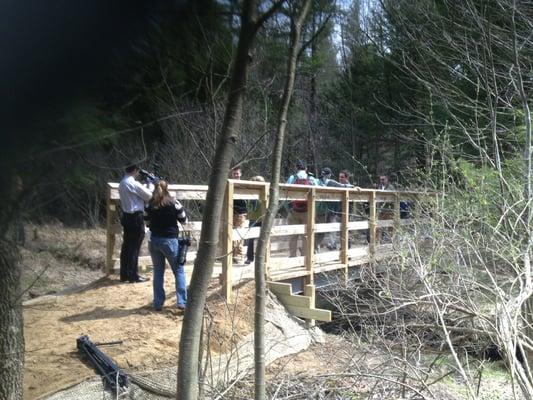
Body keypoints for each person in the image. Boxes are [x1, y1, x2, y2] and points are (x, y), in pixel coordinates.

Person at [145, 180, 188, 311]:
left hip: (154, 240)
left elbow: (146, 222)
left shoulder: (150, 204)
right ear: (167, 189)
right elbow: (184, 220)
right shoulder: (174, 203)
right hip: (169, 241)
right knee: (179, 270)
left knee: (158, 272)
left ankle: (158, 303)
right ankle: (181, 302)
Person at [118, 164, 153, 283]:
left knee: (127, 246)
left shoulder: (122, 183)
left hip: (126, 216)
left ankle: (124, 274)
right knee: (134, 247)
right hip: (135, 217)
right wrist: (149, 184)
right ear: (135, 170)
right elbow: (149, 196)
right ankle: (133, 275)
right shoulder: (133, 183)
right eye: (138, 171)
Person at [316, 167, 354, 251]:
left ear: (347, 178)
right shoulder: (336, 185)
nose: (340, 178)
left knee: (345, 231)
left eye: (342, 177)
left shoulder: (349, 187)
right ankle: (335, 246)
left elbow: (350, 203)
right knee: (334, 229)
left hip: (345, 213)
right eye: (339, 177)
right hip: (336, 212)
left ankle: (346, 250)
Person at [286, 160, 318, 257]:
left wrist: (289, 208)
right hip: (307, 211)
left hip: (294, 211)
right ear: (306, 169)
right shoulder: (311, 179)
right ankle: (305, 257)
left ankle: (292, 256)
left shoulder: (292, 178)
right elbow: (319, 191)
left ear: (296, 168)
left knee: (292, 235)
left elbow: (285, 191)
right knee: (306, 235)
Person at [245, 175, 265, 264]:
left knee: (263, 239)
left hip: (262, 218)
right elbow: (250, 208)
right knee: (250, 239)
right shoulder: (251, 193)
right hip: (254, 218)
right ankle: (250, 257)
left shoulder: (264, 192)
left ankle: (262, 257)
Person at [231, 166, 247, 264]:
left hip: (241, 213)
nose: (236, 175)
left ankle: (239, 255)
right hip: (230, 212)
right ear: (232, 174)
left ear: (240, 174)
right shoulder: (229, 184)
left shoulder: (244, 184)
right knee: (230, 234)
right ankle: (232, 255)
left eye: (237, 173)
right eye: (234, 173)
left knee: (239, 234)